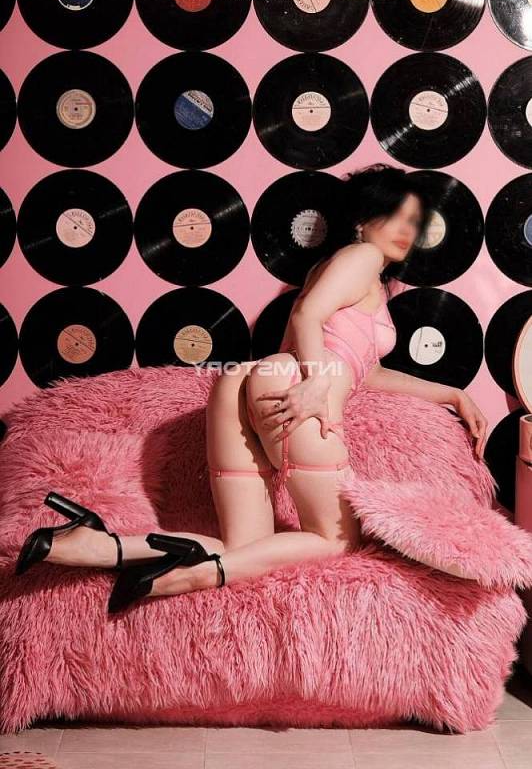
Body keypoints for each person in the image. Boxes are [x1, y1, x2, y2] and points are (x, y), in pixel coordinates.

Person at [14, 163, 488, 613]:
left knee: (246, 545)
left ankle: (99, 545)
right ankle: (194, 576)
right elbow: (307, 318)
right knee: (338, 540)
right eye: (394, 215)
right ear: (363, 221)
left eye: (413, 220)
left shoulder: (338, 271)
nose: (406, 229)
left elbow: (367, 370)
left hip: (247, 382)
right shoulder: (362, 257)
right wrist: (315, 386)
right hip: (292, 384)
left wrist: (452, 394)